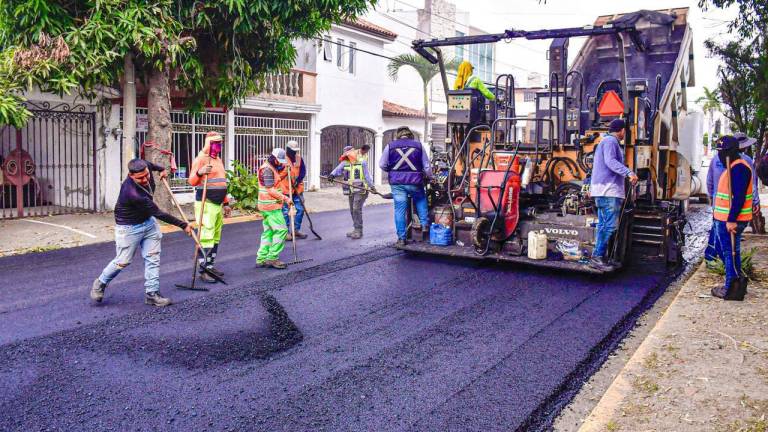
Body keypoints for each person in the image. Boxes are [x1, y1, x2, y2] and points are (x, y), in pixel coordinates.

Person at [90, 159, 193, 307]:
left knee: (153, 257)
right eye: (140, 178)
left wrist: (161, 169)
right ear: (130, 176)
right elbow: (159, 213)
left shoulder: (144, 167)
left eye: (147, 175)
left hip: (148, 223)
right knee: (122, 261)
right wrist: (183, 225)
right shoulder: (132, 193)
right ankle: (100, 282)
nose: (145, 179)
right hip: (129, 228)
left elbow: (151, 165)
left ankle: (152, 294)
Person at [589, 118, 639, 270]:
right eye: (625, 130)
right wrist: (628, 172)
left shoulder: (605, 141)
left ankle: (600, 257)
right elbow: (610, 161)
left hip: (603, 190)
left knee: (604, 225)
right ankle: (597, 257)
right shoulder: (611, 142)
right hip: (608, 190)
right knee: (609, 226)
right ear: (622, 130)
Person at [705, 132, 761, 265]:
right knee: (727, 246)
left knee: (723, 242)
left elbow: (709, 182)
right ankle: (732, 274)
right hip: (732, 211)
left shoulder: (719, 160)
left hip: (724, 209)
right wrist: (755, 201)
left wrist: (714, 199)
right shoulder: (746, 161)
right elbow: (752, 186)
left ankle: (719, 265)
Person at [711, 135, 753, 300]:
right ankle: (735, 283)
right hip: (726, 218)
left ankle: (730, 289)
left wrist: (731, 219)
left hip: (731, 220)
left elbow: (739, 197)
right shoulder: (734, 165)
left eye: (723, 152)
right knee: (732, 252)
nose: (721, 155)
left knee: (729, 253)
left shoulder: (739, 168)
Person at [188, 131, 231, 283]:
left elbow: (222, 182)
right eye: (216, 143)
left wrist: (226, 203)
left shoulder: (218, 160)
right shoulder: (200, 159)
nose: (219, 146)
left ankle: (210, 265)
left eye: (220, 143)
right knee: (206, 237)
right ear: (209, 144)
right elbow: (192, 181)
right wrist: (200, 172)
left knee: (215, 237)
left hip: (218, 204)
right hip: (206, 203)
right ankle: (203, 270)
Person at [379, 126, 432, 247]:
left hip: (397, 184)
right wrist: (430, 177)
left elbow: (382, 164)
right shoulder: (418, 146)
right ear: (410, 135)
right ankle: (424, 226)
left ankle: (401, 239)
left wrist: (391, 170)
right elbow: (427, 166)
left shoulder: (390, 146)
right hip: (415, 182)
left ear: (398, 135)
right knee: (420, 199)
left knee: (399, 210)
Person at [328, 145, 375, 239]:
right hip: (351, 190)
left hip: (361, 190)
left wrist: (372, 187)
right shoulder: (345, 162)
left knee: (356, 209)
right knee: (352, 210)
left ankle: (358, 231)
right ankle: (355, 229)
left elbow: (367, 176)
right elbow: (338, 169)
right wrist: (332, 175)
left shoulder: (362, 162)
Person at [256, 148, 292, 269]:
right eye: (279, 161)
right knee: (281, 230)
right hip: (271, 206)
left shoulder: (269, 167)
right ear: (273, 158)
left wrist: (284, 171)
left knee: (269, 232)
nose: (280, 163)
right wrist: (286, 199)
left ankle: (261, 258)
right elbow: (270, 189)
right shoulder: (267, 169)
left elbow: (275, 180)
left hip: (265, 205)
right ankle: (272, 258)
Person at [282, 140, 307, 241]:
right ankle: (285, 233)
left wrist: (298, 180)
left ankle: (295, 230)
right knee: (285, 212)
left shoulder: (298, 158)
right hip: (285, 189)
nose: (294, 153)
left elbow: (303, 171)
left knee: (300, 210)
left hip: (297, 189)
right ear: (287, 149)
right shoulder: (282, 159)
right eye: (292, 151)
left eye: (295, 151)